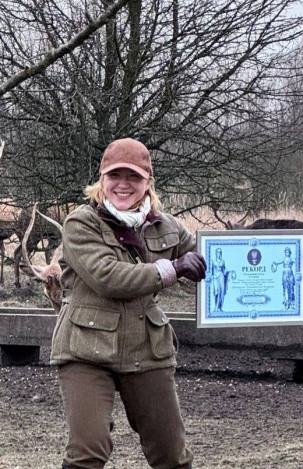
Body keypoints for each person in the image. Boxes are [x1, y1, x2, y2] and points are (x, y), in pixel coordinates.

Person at [51, 138, 206, 469]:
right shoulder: (81, 223)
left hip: (147, 348)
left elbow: (213, 264)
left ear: (148, 182)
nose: (123, 184)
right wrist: (173, 269)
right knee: (88, 451)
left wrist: (290, 261)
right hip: (86, 351)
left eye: (133, 177)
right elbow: (107, 277)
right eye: (114, 175)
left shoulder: (168, 226)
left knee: (171, 454)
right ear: (101, 179)